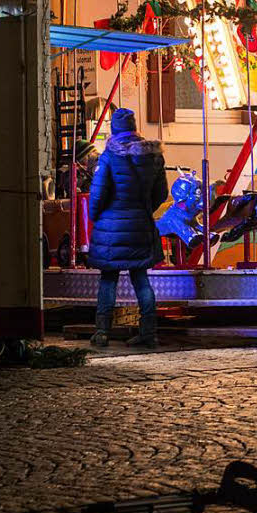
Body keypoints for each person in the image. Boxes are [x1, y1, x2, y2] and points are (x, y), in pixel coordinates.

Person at [87, 108, 169, 348]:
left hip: (110, 226)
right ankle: (148, 332)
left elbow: (98, 193)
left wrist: (96, 216)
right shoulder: (154, 156)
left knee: (108, 279)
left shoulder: (109, 156)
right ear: (134, 127)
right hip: (141, 224)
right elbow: (161, 193)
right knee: (141, 279)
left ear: (115, 129)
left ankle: (102, 332)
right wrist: (144, 210)